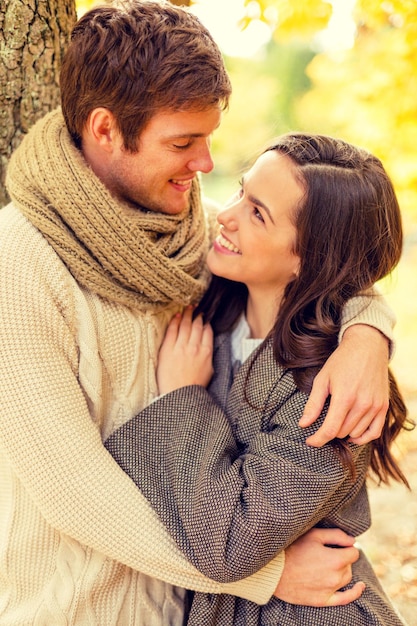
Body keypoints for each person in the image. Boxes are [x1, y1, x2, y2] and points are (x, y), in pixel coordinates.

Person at [0, 0, 396, 623]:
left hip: (184, 607)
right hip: (79, 606)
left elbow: (324, 262)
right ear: (105, 130)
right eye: (184, 143)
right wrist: (266, 574)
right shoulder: (21, 264)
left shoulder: (185, 237)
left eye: (210, 140)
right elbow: (74, 491)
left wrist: (369, 331)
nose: (207, 167)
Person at [105, 132, 413, 625]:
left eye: (257, 213)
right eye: (241, 192)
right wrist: (370, 326)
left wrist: (184, 396)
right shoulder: (218, 305)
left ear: (310, 259)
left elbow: (228, 543)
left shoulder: (331, 395)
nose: (224, 215)